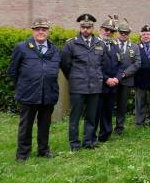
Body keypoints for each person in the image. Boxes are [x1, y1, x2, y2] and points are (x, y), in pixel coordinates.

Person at [8, 17, 61, 161]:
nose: (41, 32)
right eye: (37, 29)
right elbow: (13, 71)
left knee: (45, 125)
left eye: (44, 29)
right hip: (28, 94)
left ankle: (43, 150)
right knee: (26, 125)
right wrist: (23, 86)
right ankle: (23, 154)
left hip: (48, 94)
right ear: (33, 31)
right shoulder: (21, 47)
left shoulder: (55, 49)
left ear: (48, 32)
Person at [60, 13, 103, 150]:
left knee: (91, 116)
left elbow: (102, 63)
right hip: (78, 86)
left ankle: (88, 141)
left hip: (95, 86)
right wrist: (74, 77)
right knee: (75, 117)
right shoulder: (71, 44)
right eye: (83, 27)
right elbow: (65, 65)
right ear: (80, 27)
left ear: (92, 28)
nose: (86, 30)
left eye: (88, 27)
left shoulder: (99, 44)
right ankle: (74, 143)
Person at [95, 16, 123, 143]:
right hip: (99, 84)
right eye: (106, 29)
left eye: (111, 31)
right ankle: (92, 135)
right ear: (100, 29)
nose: (108, 32)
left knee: (108, 110)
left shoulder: (115, 45)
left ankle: (105, 134)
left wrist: (117, 78)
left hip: (113, 85)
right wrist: (106, 79)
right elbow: (95, 66)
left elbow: (120, 65)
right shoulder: (95, 44)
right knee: (96, 111)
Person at [113, 19, 140, 135]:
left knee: (122, 105)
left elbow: (137, 63)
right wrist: (114, 77)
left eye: (126, 33)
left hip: (126, 80)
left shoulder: (134, 47)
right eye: (121, 32)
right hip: (112, 80)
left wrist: (124, 74)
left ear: (129, 33)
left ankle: (119, 127)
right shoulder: (111, 45)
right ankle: (106, 127)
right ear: (117, 32)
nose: (123, 35)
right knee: (108, 104)